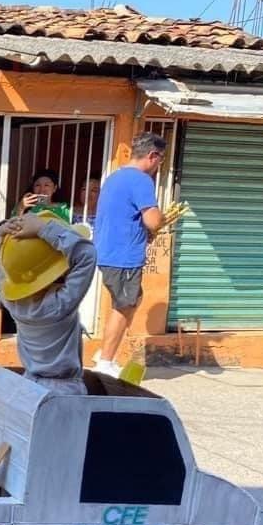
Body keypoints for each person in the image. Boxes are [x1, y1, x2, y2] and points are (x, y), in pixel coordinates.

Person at [0, 211, 97, 396]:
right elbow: (87, 254)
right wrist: (43, 229)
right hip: (65, 391)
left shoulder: (12, 302)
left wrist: (1, 234)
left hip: (30, 386)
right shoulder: (59, 304)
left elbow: (8, 265)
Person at [92, 133, 166, 377]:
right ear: (152, 156)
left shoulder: (115, 177)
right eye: (160, 160)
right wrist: (161, 219)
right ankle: (105, 361)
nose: (159, 166)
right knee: (124, 306)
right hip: (123, 255)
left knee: (128, 303)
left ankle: (106, 355)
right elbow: (153, 220)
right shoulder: (141, 181)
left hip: (110, 251)